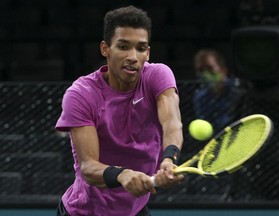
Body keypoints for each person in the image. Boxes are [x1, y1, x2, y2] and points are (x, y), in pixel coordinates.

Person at [55, 5, 184, 216]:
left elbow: (172, 122)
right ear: (105, 49)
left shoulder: (158, 76)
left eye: (141, 48)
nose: (133, 56)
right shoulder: (81, 94)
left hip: (136, 210)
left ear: (148, 53)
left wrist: (169, 159)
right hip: (85, 212)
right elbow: (88, 167)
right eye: (123, 46)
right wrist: (122, 175)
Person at [192, 49, 241, 132]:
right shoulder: (200, 97)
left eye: (210, 68)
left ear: (223, 69)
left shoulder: (239, 90)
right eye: (201, 70)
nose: (205, 74)